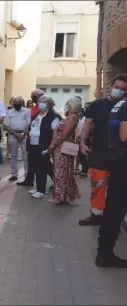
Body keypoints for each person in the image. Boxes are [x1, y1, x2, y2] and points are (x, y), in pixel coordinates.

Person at [78, 74, 127, 226]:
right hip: (99, 152)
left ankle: (115, 218)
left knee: (117, 188)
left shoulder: (124, 107)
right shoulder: (97, 105)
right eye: (116, 87)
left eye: (123, 89)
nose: (118, 91)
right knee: (98, 185)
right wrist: (82, 142)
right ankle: (96, 215)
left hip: (119, 154)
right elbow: (87, 123)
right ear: (111, 86)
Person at [96, 95, 127, 268]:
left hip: (117, 161)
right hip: (123, 163)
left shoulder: (120, 104)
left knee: (113, 209)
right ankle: (105, 253)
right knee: (116, 209)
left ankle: (104, 253)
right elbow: (124, 135)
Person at [20, 96, 60, 199]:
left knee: (42, 167)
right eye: (40, 102)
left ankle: (41, 190)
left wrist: (52, 146)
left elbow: (55, 132)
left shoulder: (53, 116)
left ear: (49, 104)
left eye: (44, 102)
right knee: (34, 166)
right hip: (33, 145)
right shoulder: (36, 115)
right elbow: (31, 128)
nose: (40, 104)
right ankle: (38, 187)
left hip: (43, 145)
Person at [45, 97, 81, 205]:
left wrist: (53, 145)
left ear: (71, 106)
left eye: (67, 104)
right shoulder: (69, 117)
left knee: (61, 172)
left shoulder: (71, 118)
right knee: (64, 172)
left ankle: (59, 197)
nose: (65, 106)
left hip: (62, 148)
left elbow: (64, 135)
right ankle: (64, 196)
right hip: (60, 148)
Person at [3, 96, 31, 181]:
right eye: (15, 104)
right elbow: (6, 126)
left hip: (24, 134)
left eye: (18, 104)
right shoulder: (10, 112)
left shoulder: (27, 111)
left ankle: (27, 174)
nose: (16, 105)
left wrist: (22, 134)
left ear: (21, 103)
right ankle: (14, 174)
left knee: (25, 155)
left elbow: (29, 124)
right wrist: (16, 134)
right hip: (12, 134)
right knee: (13, 155)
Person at [75, 101, 91, 178]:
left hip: (87, 138)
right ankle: (82, 169)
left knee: (85, 155)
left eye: (88, 107)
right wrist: (77, 135)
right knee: (80, 155)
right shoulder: (83, 116)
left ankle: (84, 170)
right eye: (85, 107)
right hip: (79, 138)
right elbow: (79, 127)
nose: (86, 109)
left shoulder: (92, 117)